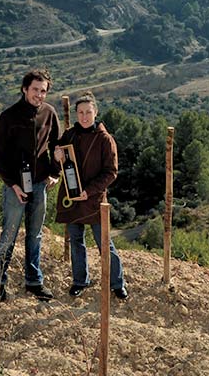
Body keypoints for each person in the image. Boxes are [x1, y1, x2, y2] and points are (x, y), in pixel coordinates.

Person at [0, 69, 60, 303]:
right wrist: (12, 184)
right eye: (35, 90)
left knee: (35, 235)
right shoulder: (9, 117)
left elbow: (58, 147)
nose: (39, 95)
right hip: (15, 188)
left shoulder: (49, 114)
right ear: (24, 89)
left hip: (39, 185)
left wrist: (55, 173)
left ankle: (33, 281)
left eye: (43, 91)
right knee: (8, 235)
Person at [53, 92, 127, 299]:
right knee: (76, 240)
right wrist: (56, 156)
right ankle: (79, 281)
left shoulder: (105, 140)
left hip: (94, 200)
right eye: (81, 112)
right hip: (72, 197)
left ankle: (117, 283)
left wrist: (90, 191)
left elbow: (111, 172)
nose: (84, 116)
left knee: (104, 243)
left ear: (96, 112)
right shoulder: (69, 135)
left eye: (88, 112)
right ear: (76, 114)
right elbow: (56, 156)